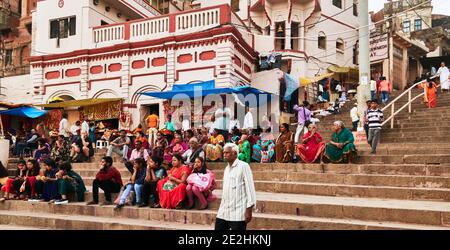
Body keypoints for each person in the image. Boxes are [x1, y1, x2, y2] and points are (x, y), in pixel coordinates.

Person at [215, 143, 256, 230]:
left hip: (239, 211)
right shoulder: (226, 169)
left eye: (227, 153)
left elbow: (250, 189)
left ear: (234, 153)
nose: (224, 155)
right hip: (224, 210)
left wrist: (249, 210)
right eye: (224, 153)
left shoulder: (244, 166)